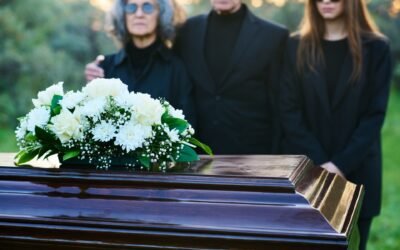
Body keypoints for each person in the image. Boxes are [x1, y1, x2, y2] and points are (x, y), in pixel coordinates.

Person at [280, 0, 392, 249]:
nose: (327, 1)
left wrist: (340, 164)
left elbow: (374, 115)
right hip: (307, 176)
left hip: (358, 173)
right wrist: (320, 163)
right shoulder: (296, 45)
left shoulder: (376, 48)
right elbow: (289, 110)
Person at [173, 0, 288, 154]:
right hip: (196, 151)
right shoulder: (186, 30)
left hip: (253, 154)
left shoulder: (274, 35)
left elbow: (280, 102)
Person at [85, 0, 195, 124]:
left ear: (161, 15)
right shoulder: (105, 67)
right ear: (123, 15)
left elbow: (187, 126)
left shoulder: (177, 69)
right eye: (132, 8)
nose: (139, 14)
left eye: (147, 7)